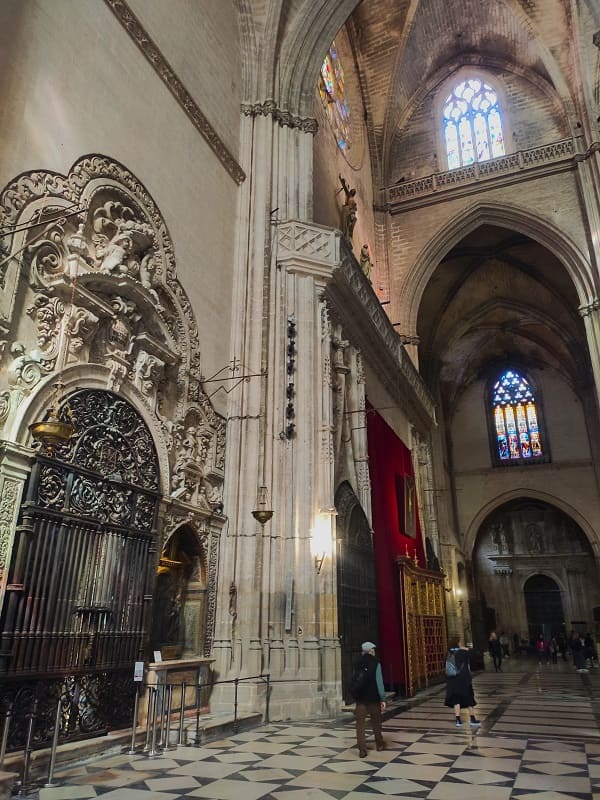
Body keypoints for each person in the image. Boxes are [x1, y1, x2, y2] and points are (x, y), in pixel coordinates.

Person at [352, 641, 386, 757]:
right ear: (371, 651)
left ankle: (362, 749)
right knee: (376, 722)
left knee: (360, 724)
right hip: (373, 698)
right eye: (373, 650)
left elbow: (354, 680)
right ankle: (380, 744)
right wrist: (383, 698)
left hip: (360, 699)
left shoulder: (357, 663)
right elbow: (379, 682)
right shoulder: (376, 663)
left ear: (363, 652)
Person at [445, 636, 481, 727]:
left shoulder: (449, 652)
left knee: (456, 700)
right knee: (469, 698)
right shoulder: (462, 652)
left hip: (453, 680)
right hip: (464, 679)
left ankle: (458, 720)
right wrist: (466, 648)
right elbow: (475, 654)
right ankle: (472, 719)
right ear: (458, 643)